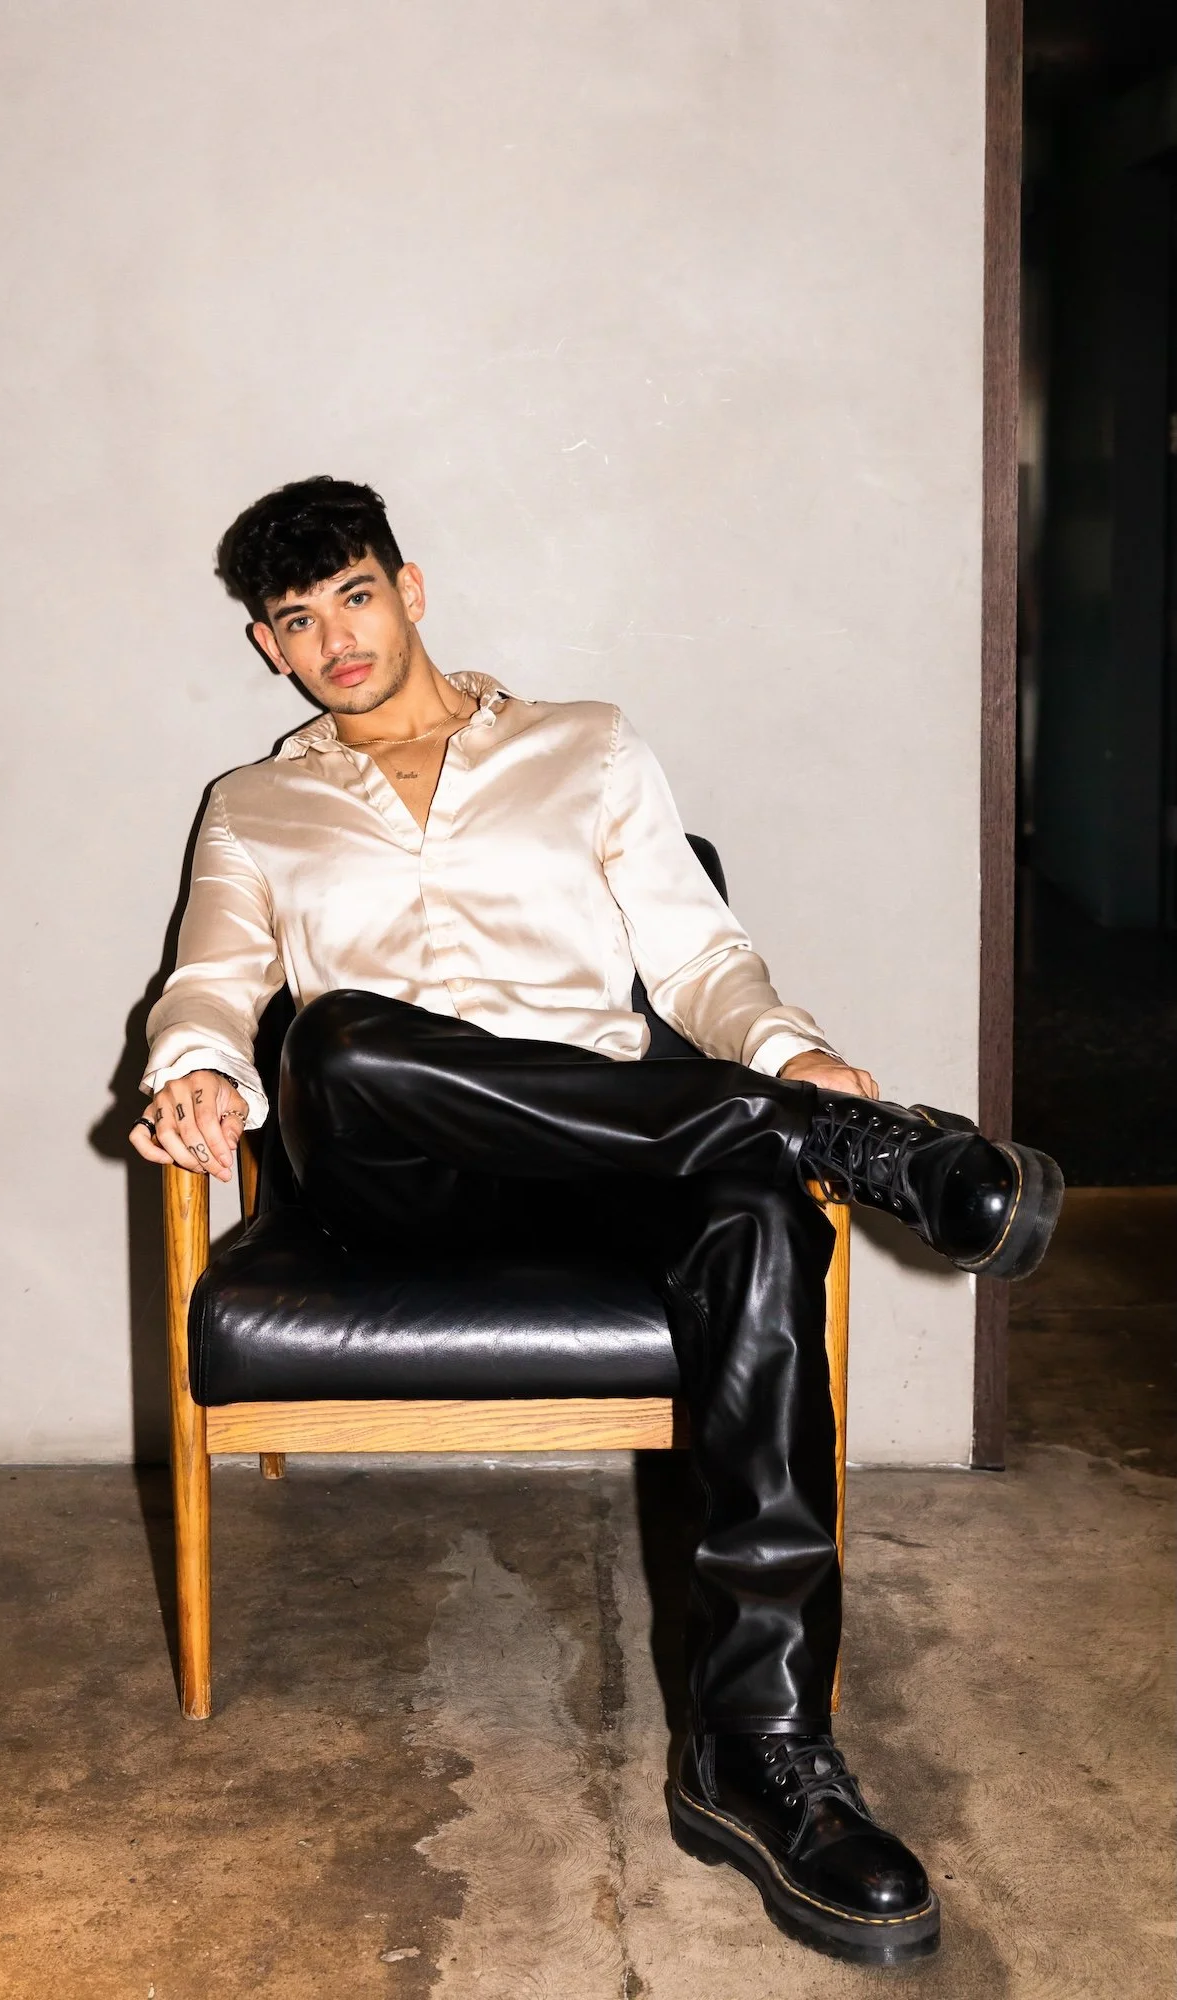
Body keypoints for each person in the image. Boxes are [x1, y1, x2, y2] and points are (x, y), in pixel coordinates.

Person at [132, 476, 1061, 1967]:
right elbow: (211, 984)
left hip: (610, 1158)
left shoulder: (589, 745)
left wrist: (791, 1051)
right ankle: (851, 1149)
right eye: (298, 622)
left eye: (355, 596)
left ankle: (759, 1750)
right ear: (269, 646)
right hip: (391, 1179)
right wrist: (194, 1073)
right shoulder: (253, 806)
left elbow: (696, 960)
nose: (336, 639)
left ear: (410, 589)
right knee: (344, 1040)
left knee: (758, 1212)